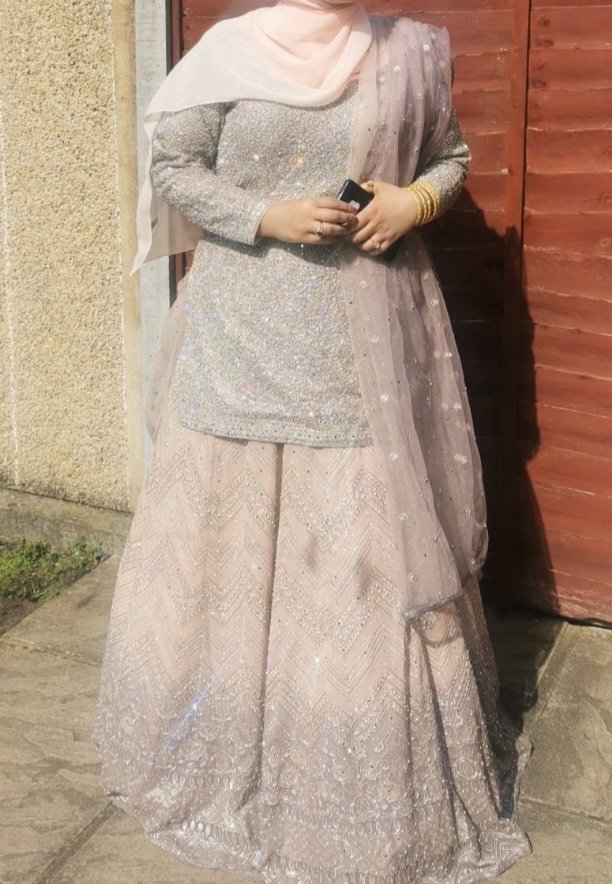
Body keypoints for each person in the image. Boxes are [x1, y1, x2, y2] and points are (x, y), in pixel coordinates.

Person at [92, 1, 533, 881]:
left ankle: (348, 765)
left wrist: (413, 199)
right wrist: (265, 215)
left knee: (361, 547)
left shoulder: (404, 51)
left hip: (363, 346)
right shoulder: (228, 50)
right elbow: (174, 167)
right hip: (242, 335)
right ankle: (217, 741)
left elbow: (449, 157)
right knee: (230, 537)